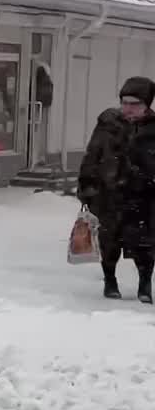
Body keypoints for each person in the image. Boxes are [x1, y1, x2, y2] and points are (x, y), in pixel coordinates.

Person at [78, 76, 155, 302]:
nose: (128, 108)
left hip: (145, 196)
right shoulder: (108, 125)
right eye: (125, 102)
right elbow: (92, 156)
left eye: (135, 104)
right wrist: (87, 186)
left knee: (145, 245)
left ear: (147, 105)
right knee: (109, 241)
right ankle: (110, 281)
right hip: (109, 195)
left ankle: (145, 285)